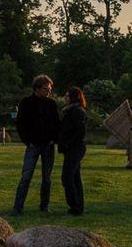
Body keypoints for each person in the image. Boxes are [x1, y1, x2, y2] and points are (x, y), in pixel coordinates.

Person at [12, 75, 62, 215]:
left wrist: (53, 139)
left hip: (48, 144)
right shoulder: (26, 103)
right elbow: (20, 123)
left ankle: (44, 206)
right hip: (33, 144)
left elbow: (57, 123)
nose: (48, 91)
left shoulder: (51, 104)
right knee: (26, 176)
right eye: (46, 89)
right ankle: (18, 207)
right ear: (37, 88)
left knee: (47, 178)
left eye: (49, 89)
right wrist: (27, 141)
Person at [57, 83, 90, 216]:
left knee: (67, 177)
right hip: (72, 148)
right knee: (75, 177)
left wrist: (68, 143)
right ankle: (78, 206)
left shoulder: (77, 111)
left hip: (75, 148)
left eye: (67, 96)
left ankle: (74, 206)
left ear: (73, 97)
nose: (65, 98)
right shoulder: (71, 110)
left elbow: (80, 131)